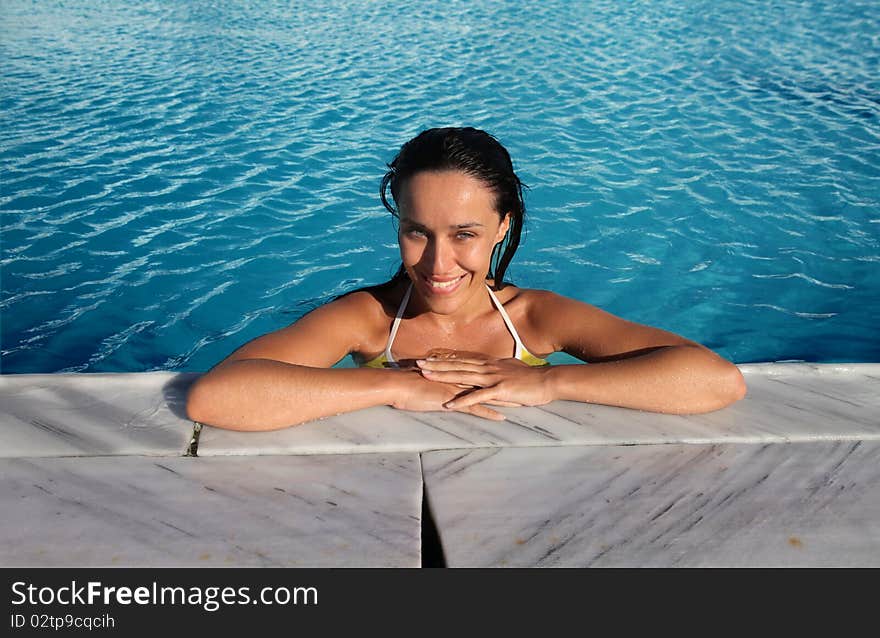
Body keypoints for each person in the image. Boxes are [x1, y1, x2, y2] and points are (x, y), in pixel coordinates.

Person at [186, 127, 746, 431]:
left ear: (502, 227)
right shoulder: (369, 319)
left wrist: (548, 382)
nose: (436, 263)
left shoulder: (534, 319)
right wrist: (395, 385)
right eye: (416, 231)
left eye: (464, 234)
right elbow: (216, 397)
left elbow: (714, 380)